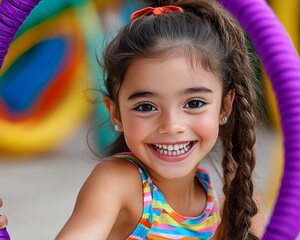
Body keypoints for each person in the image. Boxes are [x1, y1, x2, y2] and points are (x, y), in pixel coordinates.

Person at [5, 0, 265, 239]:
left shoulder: (225, 205)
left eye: (194, 103)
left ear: (225, 105)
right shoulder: (118, 184)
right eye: (146, 106)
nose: (171, 125)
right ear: (115, 113)